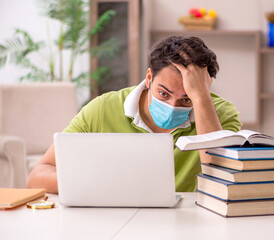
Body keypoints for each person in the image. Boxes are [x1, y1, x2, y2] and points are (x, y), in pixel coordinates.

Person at [27, 36, 242, 193]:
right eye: (163, 93)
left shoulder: (221, 114)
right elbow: (38, 177)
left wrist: (201, 99)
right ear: (149, 78)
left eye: (186, 98)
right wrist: (94, 182)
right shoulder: (102, 108)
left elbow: (222, 179)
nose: (172, 105)